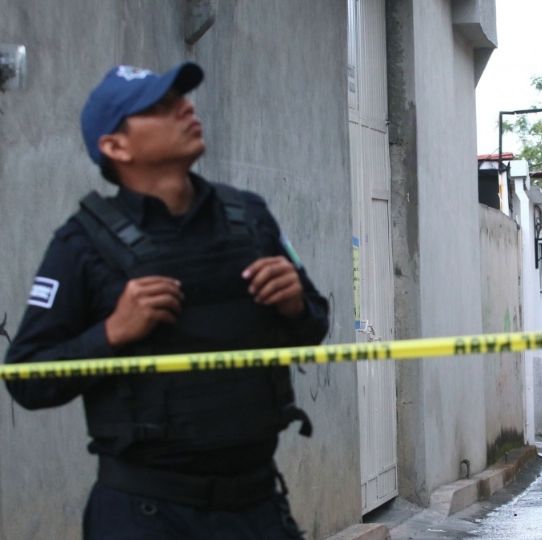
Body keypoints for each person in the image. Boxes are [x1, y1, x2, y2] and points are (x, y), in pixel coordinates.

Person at [4, 62, 329, 539]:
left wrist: (296, 304)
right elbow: (25, 379)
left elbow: (314, 325)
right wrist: (111, 333)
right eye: (160, 107)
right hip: (146, 513)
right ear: (115, 146)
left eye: (183, 100)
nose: (186, 110)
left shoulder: (249, 217)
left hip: (256, 507)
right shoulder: (82, 244)